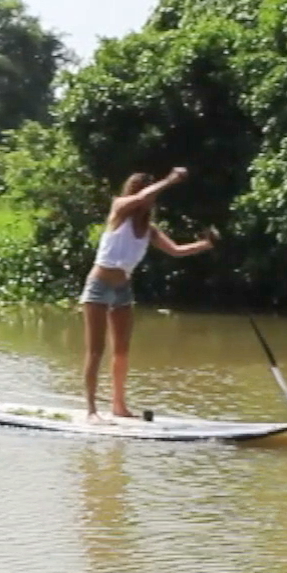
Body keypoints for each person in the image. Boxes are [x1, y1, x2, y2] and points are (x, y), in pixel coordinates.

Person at [78, 167, 218, 420]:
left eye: (151, 195)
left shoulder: (150, 230)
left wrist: (206, 244)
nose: (149, 199)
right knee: (96, 350)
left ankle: (118, 406)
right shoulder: (118, 210)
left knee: (121, 351)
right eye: (144, 193)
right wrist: (169, 181)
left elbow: (176, 251)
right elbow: (141, 198)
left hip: (123, 289)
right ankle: (91, 411)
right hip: (99, 284)